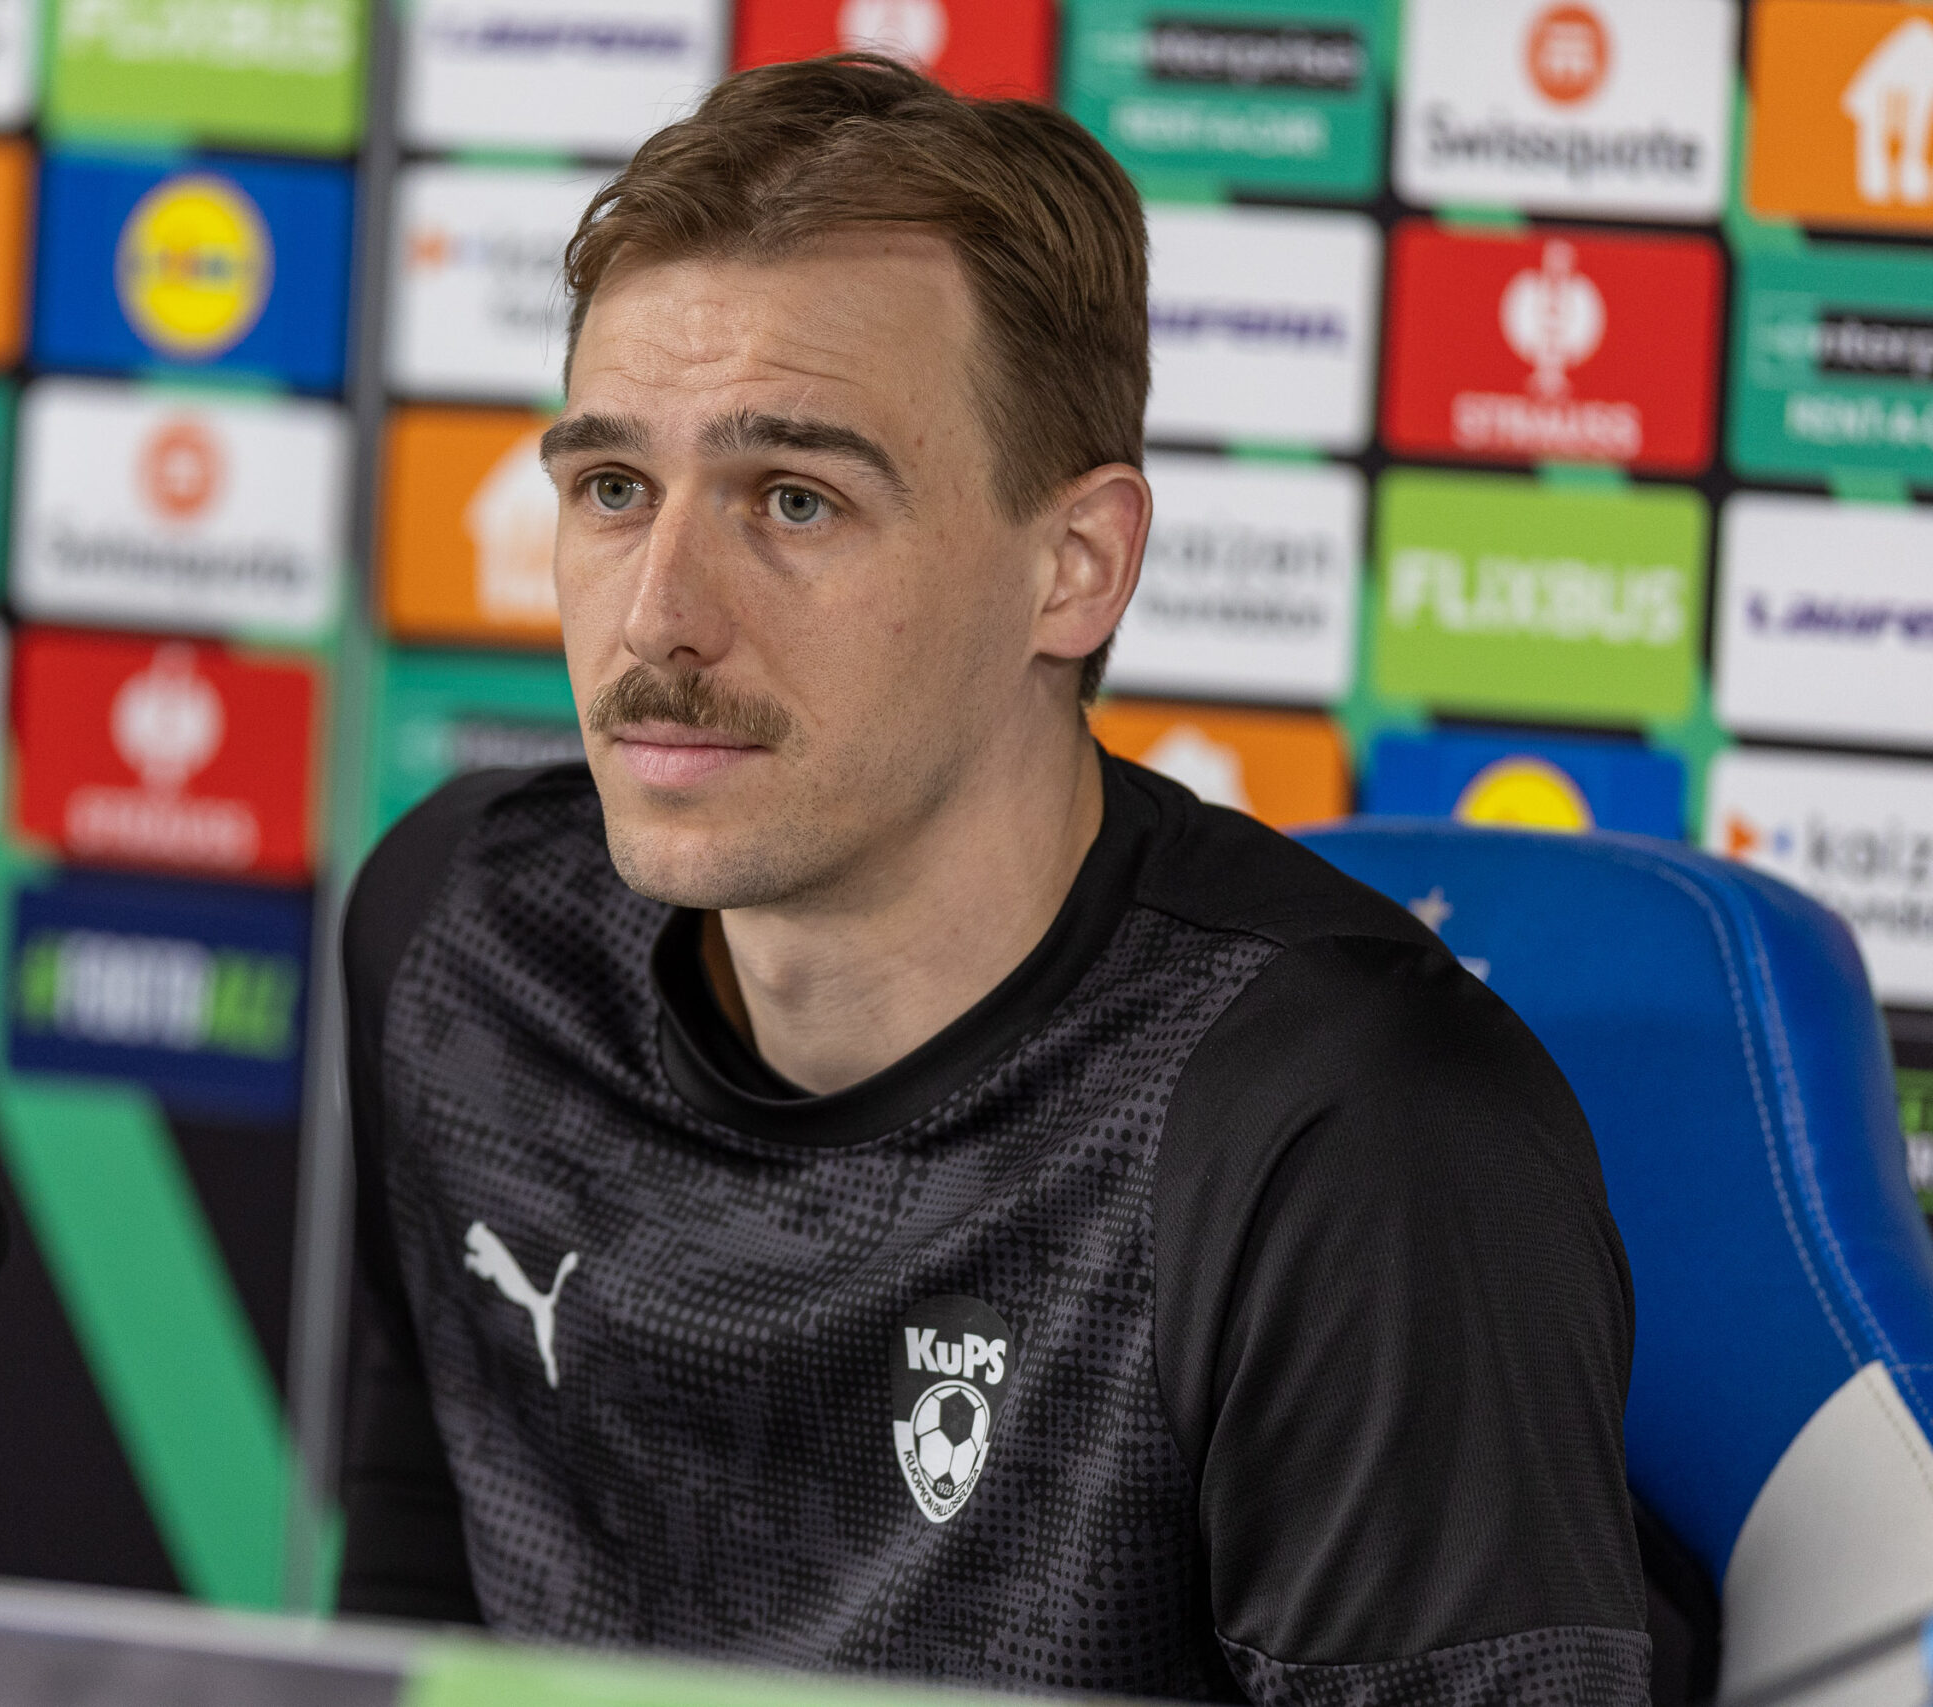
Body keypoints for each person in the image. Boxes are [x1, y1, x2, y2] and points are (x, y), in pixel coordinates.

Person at [336, 53, 1647, 1706]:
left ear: (1075, 569)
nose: (659, 616)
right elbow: (412, 1608)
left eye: (794, 500)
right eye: (614, 489)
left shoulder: (1345, 1135)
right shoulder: (464, 935)